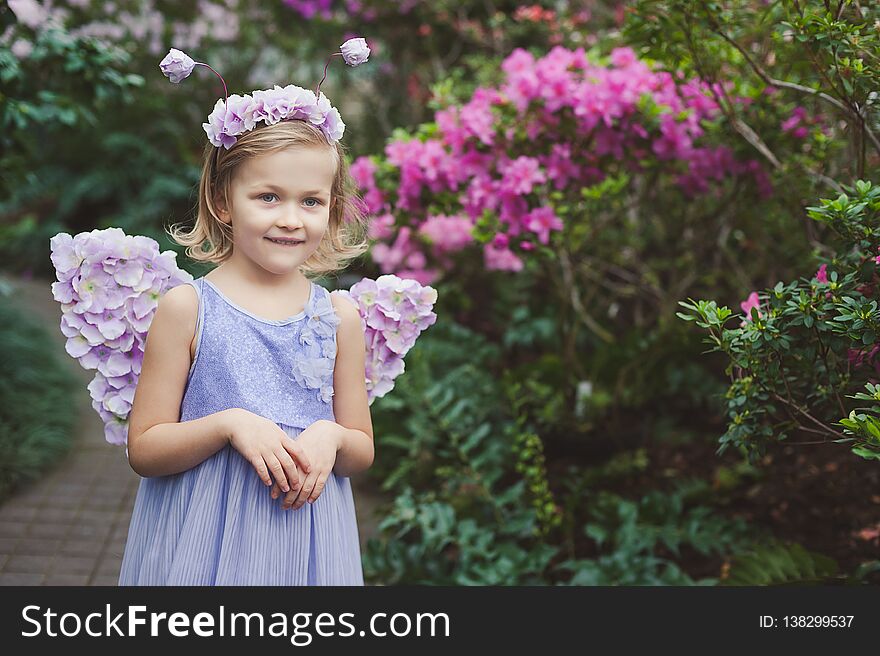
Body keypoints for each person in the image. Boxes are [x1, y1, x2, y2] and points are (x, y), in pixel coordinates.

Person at [118, 39, 375, 585]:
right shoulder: (188, 308)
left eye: (311, 201)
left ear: (331, 210)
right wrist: (230, 424)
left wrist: (329, 435)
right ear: (221, 201)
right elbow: (145, 448)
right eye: (267, 196)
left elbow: (361, 450)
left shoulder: (338, 318)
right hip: (201, 546)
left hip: (305, 548)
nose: (291, 218)